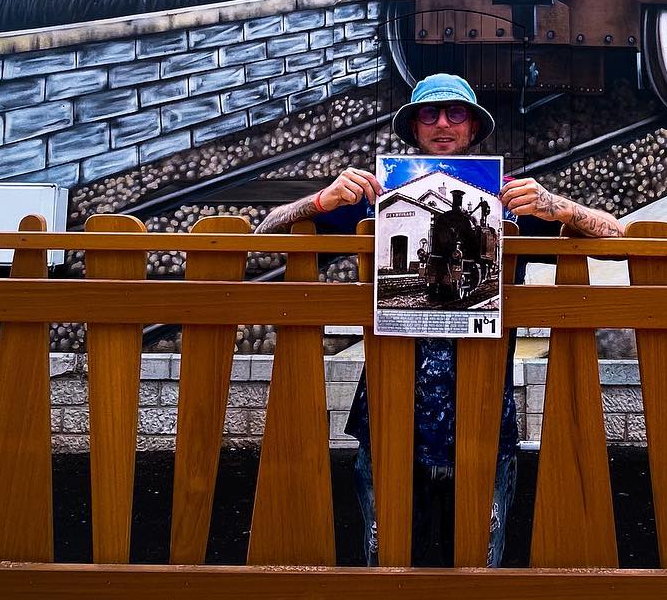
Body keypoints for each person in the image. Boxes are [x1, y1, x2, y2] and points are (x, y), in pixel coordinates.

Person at [255, 73, 623, 567]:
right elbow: (265, 234)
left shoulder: (512, 196)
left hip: (485, 406)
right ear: (413, 127)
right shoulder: (375, 193)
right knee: (386, 556)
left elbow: (615, 236)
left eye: (456, 113)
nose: (443, 123)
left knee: (478, 557)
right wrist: (321, 200)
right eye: (430, 113)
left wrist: (557, 205)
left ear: (473, 126)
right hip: (389, 402)